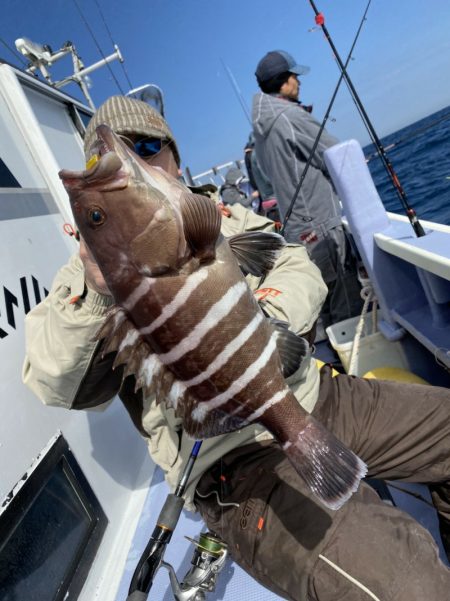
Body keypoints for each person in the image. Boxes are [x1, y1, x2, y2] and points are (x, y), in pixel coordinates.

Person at [23, 95, 450, 600]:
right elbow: (54, 380)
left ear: (174, 161)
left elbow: (297, 263)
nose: (131, 159)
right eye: (107, 159)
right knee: (406, 584)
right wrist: (99, 284)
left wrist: (261, 327)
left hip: (316, 395)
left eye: (146, 146)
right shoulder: (88, 278)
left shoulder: (222, 218)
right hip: (237, 464)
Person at [252, 49, 363, 330]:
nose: (299, 82)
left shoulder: (260, 131)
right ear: (283, 81)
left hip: (297, 231)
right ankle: (355, 362)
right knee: (347, 302)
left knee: (323, 302)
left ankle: (337, 361)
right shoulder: (289, 116)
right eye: (294, 77)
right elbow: (336, 153)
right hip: (320, 226)